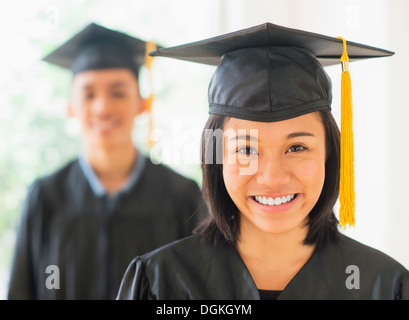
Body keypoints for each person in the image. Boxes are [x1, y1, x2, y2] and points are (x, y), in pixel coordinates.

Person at [116, 22, 409, 300]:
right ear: (216, 158)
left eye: (296, 147)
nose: (272, 178)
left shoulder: (382, 285)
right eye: (246, 150)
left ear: (330, 153)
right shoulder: (160, 282)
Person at [7, 23, 206, 300]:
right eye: (88, 94)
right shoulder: (46, 197)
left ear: (141, 103)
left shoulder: (181, 195)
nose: (102, 107)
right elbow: (20, 292)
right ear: (70, 107)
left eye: (118, 92)